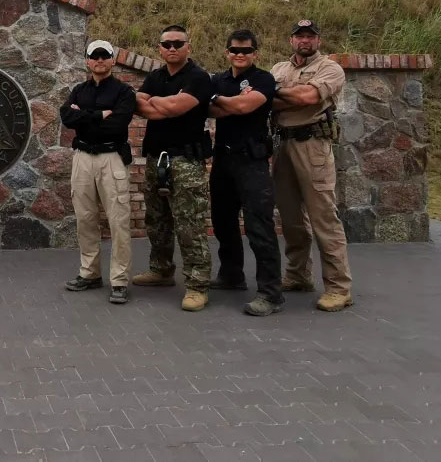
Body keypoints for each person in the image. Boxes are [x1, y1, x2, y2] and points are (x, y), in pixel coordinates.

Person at [271, 19, 353, 312]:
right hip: (283, 144)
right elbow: (270, 102)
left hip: (314, 146)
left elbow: (309, 97)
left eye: (310, 36)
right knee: (290, 217)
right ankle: (298, 275)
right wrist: (288, 97)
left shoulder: (330, 68)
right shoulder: (278, 69)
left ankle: (339, 288)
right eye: (299, 36)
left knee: (324, 218)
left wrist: (276, 94)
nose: (304, 40)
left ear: (318, 40)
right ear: (291, 40)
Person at [132, 25, 214, 311]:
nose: (172, 48)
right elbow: (138, 105)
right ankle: (161, 269)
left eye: (178, 44)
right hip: (156, 158)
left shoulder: (198, 78)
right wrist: (162, 104)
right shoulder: (154, 77)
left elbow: (175, 108)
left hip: (186, 160)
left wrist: (155, 103)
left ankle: (197, 285)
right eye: (166, 44)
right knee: (157, 220)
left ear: (188, 47)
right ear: (159, 48)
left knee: (189, 224)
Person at [207, 29, 283, 316]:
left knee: (259, 227)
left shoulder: (264, 79)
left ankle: (271, 293)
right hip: (223, 160)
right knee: (222, 222)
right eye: (235, 50)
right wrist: (232, 101)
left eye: (246, 51)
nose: (240, 55)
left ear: (255, 53)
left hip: (252, 162)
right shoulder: (219, 80)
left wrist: (222, 100)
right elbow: (210, 111)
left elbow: (243, 106)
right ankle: (231, 275)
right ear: (227, 52)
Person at [59, 40, 137, 305]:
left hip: (111, 158)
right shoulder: (78, 90)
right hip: (82, 158)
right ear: (87, 61)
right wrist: (99, 115)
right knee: (85, 219)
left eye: (105, 55)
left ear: (113, 60)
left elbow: (117, 124)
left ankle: (119, 280)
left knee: (118, 221)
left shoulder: (124, 92)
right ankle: (90, 273)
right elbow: (66, 117)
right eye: (95, 56)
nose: (100, 60)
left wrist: (83, 116)